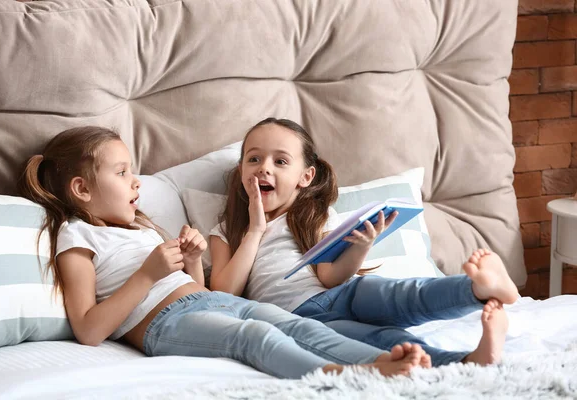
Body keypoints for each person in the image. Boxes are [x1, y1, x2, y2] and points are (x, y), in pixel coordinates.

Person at [17, 126, 431, 380]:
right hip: (162, 327)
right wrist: (147, 274)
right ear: (82, 189)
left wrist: (192, 261)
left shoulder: (140, 229)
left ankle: (382, 360)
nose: (136, 182)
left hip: (212, 300)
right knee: (253, 337)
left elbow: (191, 289)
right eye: (123, 172)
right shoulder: (77, 238)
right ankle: (345, 375)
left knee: (292, 325)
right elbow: (89, 330)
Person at [209, 117, 520, 367]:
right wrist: (255, 230)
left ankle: (477, 288)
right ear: (242, 171)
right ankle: (468, 361)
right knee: (381, 341)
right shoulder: (226, 231)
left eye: (280, 162)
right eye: (254, 159)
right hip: (299, 320)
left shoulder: (315, 216)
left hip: (345, 292)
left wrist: (362, 245)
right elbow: (224, 293)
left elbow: (330, 277)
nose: (264, 167)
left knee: (405, 294)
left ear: (305, 177)